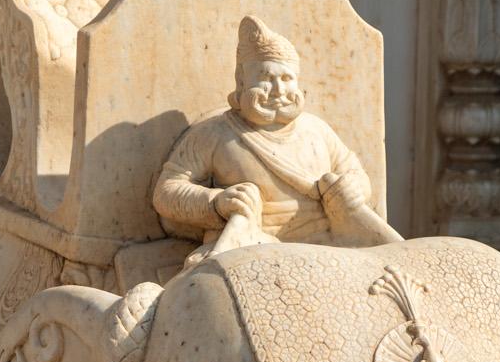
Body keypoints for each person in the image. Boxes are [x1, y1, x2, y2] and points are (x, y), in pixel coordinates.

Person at [153, 15, 401, 262]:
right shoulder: (215, 133)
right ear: (241, 80)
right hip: (250, 247)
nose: (279, 91)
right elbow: (167, 191)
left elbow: (356, 173)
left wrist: (353, 188)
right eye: (266, 78)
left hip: (327, 244)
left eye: (286, 79)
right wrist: (216, 202)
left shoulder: (317, 130)